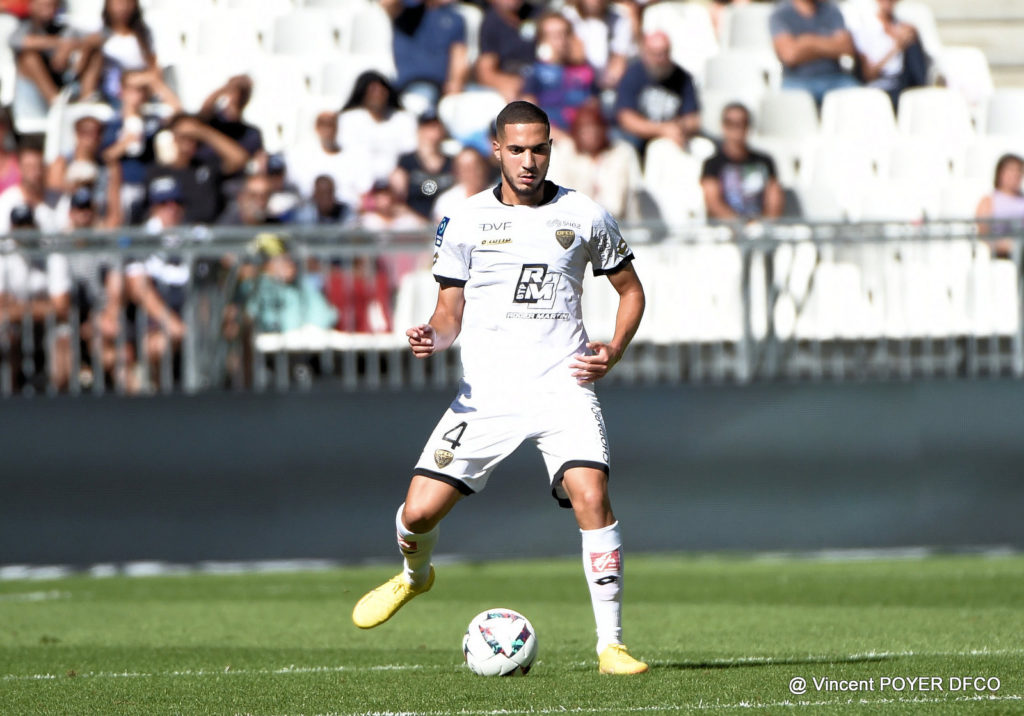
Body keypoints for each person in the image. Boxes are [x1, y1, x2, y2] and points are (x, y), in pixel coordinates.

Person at [351, 101, 648, 676]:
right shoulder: (463, 220)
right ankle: (416, 577)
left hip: (564, 387)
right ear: (496, 150)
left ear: (550, 148)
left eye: (539, 149)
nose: (529, 161)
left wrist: (614, 347)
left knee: (592, 497)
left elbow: (631, 290)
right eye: (517, 149)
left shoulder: (584, 215)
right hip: (487, 395)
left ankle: (610, 644)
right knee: (416, 516)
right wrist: (430, 339)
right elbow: (447, 315)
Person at [145, 113, 249, 224]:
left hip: (208, 233)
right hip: (172, 234)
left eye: (193, 137)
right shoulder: (157, 171)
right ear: (173, 137)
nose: (188, 142)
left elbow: (240, 159)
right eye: (183, 136)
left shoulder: (206, 167)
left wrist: (203, 132)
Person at [8, 0, 104, 117]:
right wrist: (61, 44)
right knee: (29, 57)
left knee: (95, 54)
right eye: (43, 5)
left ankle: (87, 99)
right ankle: (55, 100)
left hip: (67, 78)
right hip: (36, 93)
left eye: (52, 5)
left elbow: (97, 38)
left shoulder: (66, 28)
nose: (48, 9)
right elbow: (17, 42)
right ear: (32, 6)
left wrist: (83, 49)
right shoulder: (24, 26)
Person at [614, 31, 700, 156]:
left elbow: (692, 118)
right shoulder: (632, 74)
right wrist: (661, 129)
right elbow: (626, 118)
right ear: (645, 52)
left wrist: (679, 127)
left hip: (673, 134)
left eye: (664, 53)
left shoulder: (683, 77)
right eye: (655, 54)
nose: (660, 59)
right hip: (639, 137)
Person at [551, 104, 642, 221]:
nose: (591, 135)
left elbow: (635, 195)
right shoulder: (565, 153)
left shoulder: (623, 152)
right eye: (585, 130)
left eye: (596, 128)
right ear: (575, 131)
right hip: (576, 225)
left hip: (619, 226)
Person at [700, 103, 784, 222]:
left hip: (761, 229)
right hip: (727, 230)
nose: (736, 129)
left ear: (748, 126)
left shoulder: (764, 161)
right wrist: (740, 226)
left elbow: (774, 201)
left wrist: (763, 226)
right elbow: (713, 203)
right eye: (730, 123)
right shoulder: (712, 164)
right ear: (723, 126)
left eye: (742, 123)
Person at [769, 0, 860, 107]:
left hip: (835, 79)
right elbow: (790, 55)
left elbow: (846, 48)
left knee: (860, 98)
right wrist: (829, 44)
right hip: (797, 81)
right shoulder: (780, 13)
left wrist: (807, 42)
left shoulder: (831, 10)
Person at [520, 12, 596, 137]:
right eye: (554, 35)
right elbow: (529, 115)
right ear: (542, 40)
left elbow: (593, 109)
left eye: (565, 33)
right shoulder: (534, 72)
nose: (561, 40)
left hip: (582, 136)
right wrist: (559, 137)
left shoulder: (585, 71)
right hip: (550, 138)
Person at [338, 71, 418, 185]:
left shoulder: (404, 119)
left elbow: (409, 153)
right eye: (372, 91)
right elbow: (349, 155)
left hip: (396, 182)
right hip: (358, 180)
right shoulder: (348, 120)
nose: (378, 96)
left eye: (381, 91)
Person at [385, 0, 469, 103]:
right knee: (423, 94)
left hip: (440, 88)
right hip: (408, 86)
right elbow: (386, 3)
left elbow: (459, 57)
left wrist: (455, 86)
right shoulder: (403, 10)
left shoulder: (455, 18)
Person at [287, 110, 370, 214]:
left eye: (331, 124)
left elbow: (364, 194)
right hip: (311, 213)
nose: (327, 129)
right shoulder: (301, 156)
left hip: (346, 214)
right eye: (323, 124)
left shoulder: (356, 156)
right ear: (316, 128)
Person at [850, 0, 928, 109]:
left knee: (913, 43)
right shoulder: (866, 29)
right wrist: (896, 48)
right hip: (880, 84)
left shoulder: (902, 28)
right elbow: (868, 74)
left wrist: (907, 38)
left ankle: (923, 90)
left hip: (902, 81)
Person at [392, 112, 455, 221]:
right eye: (427, 127)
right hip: (415, 226)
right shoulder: (406, 162)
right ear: (419, 131)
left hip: (445, 222)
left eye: (435, 126)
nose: (432, 132)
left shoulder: (452, 163)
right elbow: (397, 202)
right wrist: (423, 223)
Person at [560, 0, 634, 91]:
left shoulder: (619, 16)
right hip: (573, 81)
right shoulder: (566, 16)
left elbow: (620, 57)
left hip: (606, 84)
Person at [476, 0, 540, 101]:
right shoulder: (490, 23)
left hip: (542, 77)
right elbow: (485, 71)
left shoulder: (538, 14)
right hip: (512, 81)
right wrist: (512, 83)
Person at [0, 143, 58, 233]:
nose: (35, 172)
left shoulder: (57, 201)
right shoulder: (5, 202)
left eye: (39, 166)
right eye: (29, 167)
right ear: (20, 168)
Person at [976, 153, 1024, 259]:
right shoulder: (988, 200)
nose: (1015, 174)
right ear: (1000, 173)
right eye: (1011, 170)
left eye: (1019, 170)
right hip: (1003, 256)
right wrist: (1007, 246)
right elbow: (983, 234)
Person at [430, 146, 494, 223]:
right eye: (466, 169)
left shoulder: (501, 195)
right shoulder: (446, 202)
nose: (472, 173)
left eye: (475, 167)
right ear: (457, 172)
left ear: (485, 167)